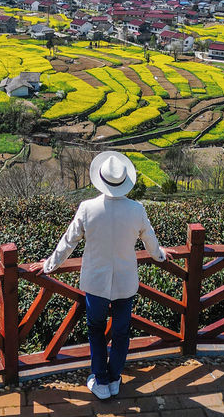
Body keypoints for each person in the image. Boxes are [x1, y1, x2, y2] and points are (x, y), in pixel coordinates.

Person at [31, 150, 172, 401]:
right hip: (126, 283)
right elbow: (151, 244)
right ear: (124, 181)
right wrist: (161, 255)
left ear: (100, 179)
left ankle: (101, 380)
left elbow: (68, 243)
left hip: (95, 283)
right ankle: (115, 378)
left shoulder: (87, 208)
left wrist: (49, 265)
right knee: (121, 332)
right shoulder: (137, 209)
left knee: (95, 329)